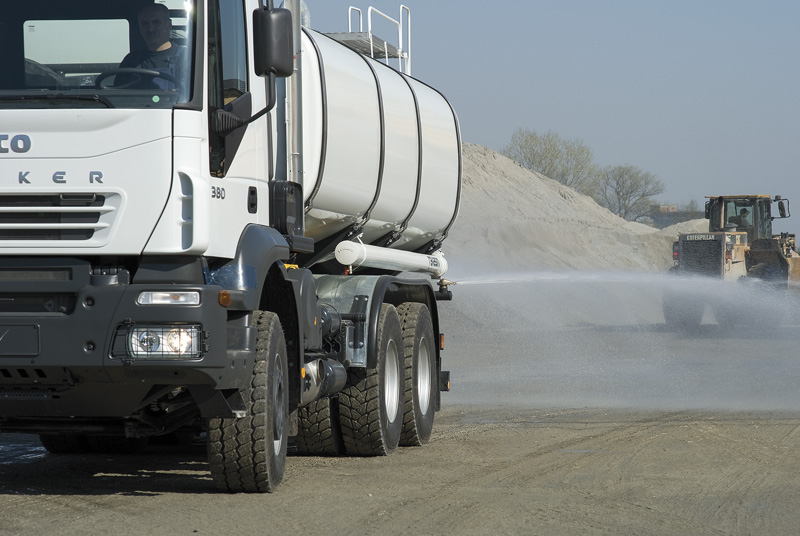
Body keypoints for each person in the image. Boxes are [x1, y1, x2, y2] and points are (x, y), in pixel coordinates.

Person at [117, 3, 186, 90]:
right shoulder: (130, 60)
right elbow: (118, 96)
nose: (151, 29)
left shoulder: (185, 58)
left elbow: (187, 96)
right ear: (139, 27)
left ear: (169, 25)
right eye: (145, 23)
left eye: (156, 22)